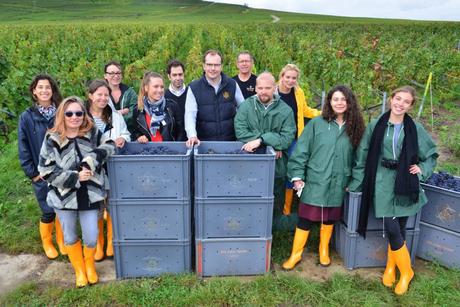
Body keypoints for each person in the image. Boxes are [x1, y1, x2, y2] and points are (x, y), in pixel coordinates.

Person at [348, 86, 438, 295]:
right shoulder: (376, 125)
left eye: (406, 102)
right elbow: (362, 155)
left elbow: (431, 154)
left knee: (401, 227)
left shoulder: (415, 128)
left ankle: (393, 268)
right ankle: (406, 271)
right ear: (391, 99)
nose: (400, 104)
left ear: (410, 106)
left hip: (406, 181)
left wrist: (422, 169)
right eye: (398, 99)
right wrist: (355, 183)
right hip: (382, 181)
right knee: (391, 225)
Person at [283, 85, 365, 270]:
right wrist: (297, 176)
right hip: (315, 179)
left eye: (343, 99)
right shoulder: (317, 124)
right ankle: (295, 254)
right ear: (329, 101)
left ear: (349, 102)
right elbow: (301, 152)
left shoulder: (356, 127)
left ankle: (324, 249)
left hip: (339, 181)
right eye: (335, 99)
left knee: (329, 218)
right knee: (305, 217)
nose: (339, 103)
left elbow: (360, 159)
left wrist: (353, 182)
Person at [38, 96, 115, 287]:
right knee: (70, 236)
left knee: (90, 236)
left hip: (90, 195)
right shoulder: (52, 138)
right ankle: (79, 271)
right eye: (69, 113)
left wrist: (91, 159)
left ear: (84, 114)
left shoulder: (92, 132)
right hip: (64, 198)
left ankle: (89, 265)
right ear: (62, 115)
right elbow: (45, 171)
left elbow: (110, 145)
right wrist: (74, 177)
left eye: (79, 113)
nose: (74, 117)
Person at [18, 74, 66, 259]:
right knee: (47, 209)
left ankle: (62, 241)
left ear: (52, 91)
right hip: (41, 172)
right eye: (40, 87)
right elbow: (23, 147)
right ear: (34, 91)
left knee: (62, 206)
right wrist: (33, 173)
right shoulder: (27, 117)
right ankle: (47, 242)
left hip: (60, 169)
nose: (45, 90)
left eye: (48, 87)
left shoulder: (62, 112)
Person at [86, 79, 130, 261]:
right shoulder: (82, 117)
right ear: (90, 96)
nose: (103, 98)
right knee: (96, 205)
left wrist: (122, 139)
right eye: (99, 95)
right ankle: (98, 245)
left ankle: (111, 243)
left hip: (112, 166)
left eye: (106, 95)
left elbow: (126, 133)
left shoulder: (115, 116)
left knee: (112, 205)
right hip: (92, 168)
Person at [234, 72, 296, 194]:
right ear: (256, 88)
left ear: (274, 88)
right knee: (250, 198)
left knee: (274, 201)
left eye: (267, 88)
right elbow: (240, 132)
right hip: (250, 163)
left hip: (276, 166)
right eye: (260, 88)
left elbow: (287, 139)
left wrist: (260, 140)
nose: (263, 91)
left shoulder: (285, 110)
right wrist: (271, 142)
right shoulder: (246, 107)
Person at [277, 64, 321, 218]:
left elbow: (304, 110)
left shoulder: (298, 92)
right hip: (277, 139)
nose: (290, 80)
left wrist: (322, 113)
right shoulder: (273, 92)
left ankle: (286, 210)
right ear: (281, 76)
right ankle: (275, 206)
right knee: (276, 172)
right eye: (287, 77)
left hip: (295, 139)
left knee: (293, 171)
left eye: (293, 78)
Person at [184, 49, 245, 147]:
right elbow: (190, 115)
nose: (213, 68)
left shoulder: (232, 84)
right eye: (209, 64)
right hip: (204, 145)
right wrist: (192, 135)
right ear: (204, 66)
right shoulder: (194, 87)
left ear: (221, 67)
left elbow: (244, 109)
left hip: (230, 142)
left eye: (216, 65)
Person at [131, 71, 185, 143]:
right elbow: (135, 132)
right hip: (148, 152)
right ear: (146, 88)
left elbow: (181, 132)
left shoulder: (172, 106)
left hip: (171, 152)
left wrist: (176, 149)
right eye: (156, 86)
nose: (159, 90)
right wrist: (139, 138)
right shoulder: (138, 110)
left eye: (162, 87)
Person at [165, 59, 188, 131]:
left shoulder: (192, 93)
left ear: (184, 74)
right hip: (171, 140)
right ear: (169, 77)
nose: (178, 78)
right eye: (174, 75)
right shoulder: (163, 97)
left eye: (180, 74)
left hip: (191, 139)